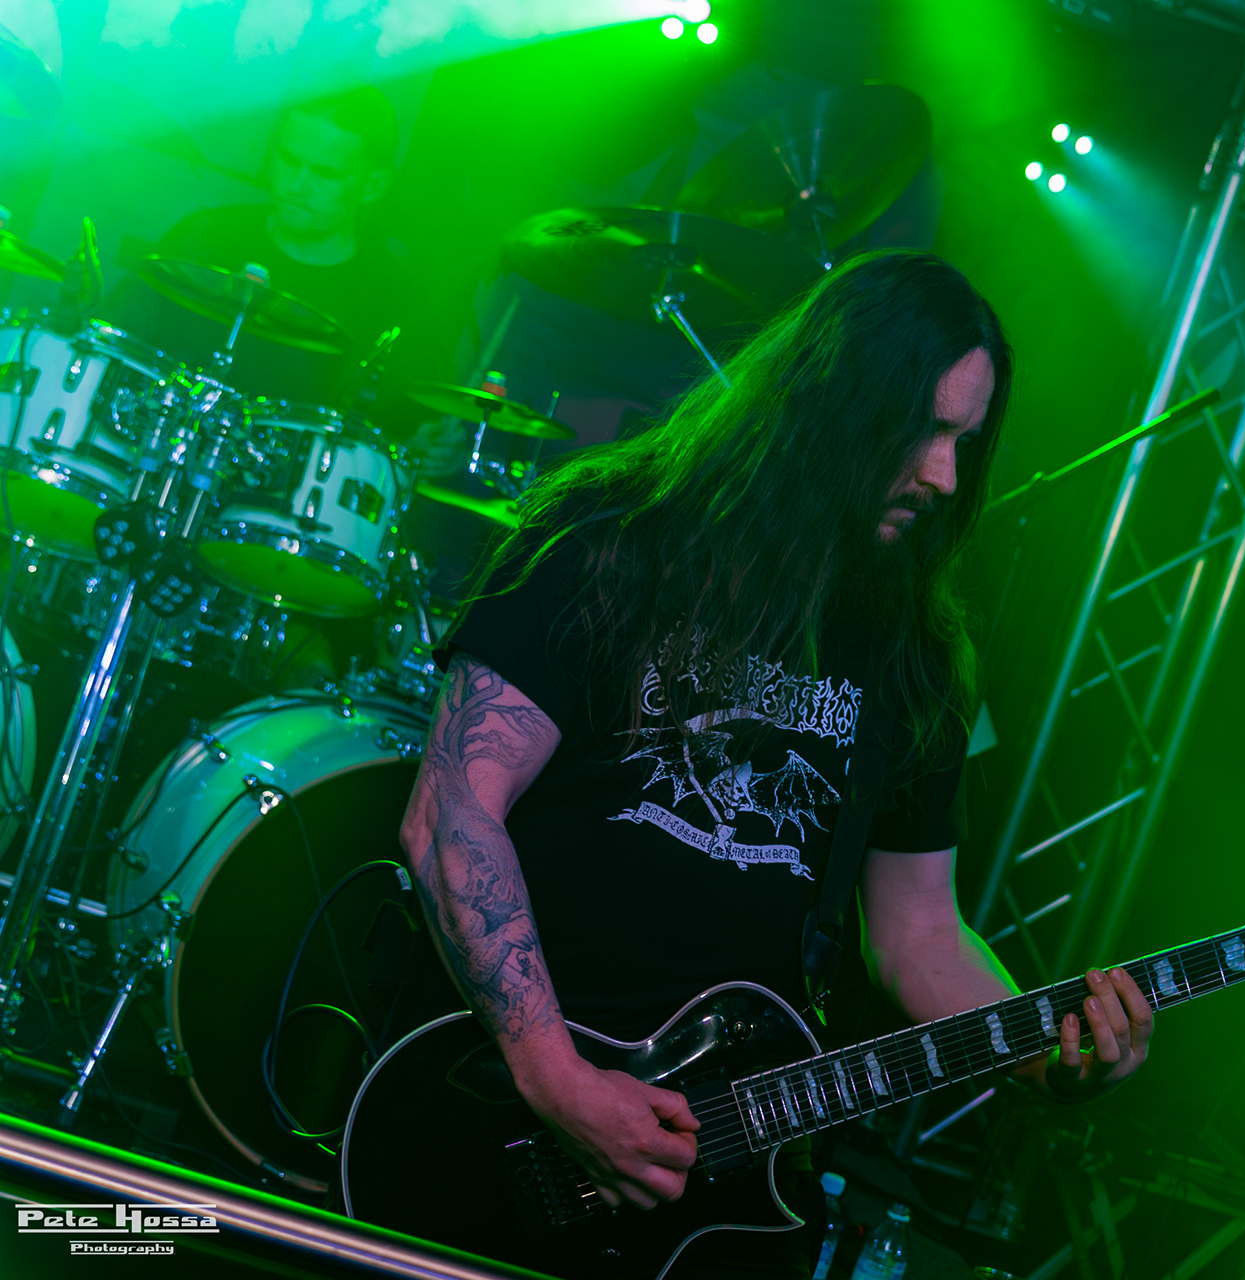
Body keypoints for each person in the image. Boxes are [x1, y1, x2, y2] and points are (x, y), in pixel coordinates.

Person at [396, 251, 1156, 1275]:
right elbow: (450, 811)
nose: (943, 477)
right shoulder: (613, 537)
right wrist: (559, 1080)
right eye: (921, 430)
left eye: (964, 443)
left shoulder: (918, 655)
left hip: (717, 1171)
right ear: (831, 402)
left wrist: (1044, 1049)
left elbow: (919, 932)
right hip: (501, 1114)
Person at [105, 84, 430, 408]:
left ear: (374, 185)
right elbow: (110, 338)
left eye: (325, 173)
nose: (297, 185)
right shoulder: (203, 234)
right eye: (289, 159)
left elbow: (402, 420)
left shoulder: (395, 299)